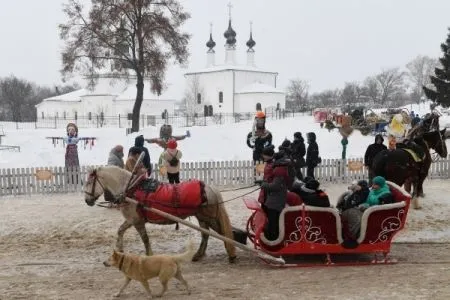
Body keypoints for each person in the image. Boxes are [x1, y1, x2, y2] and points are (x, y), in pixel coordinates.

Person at [260, 152, 290, 241]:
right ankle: (273, 237)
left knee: (273, 222)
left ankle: (273, 239)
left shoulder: (279, 170)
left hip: (275, 201)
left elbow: (275, 187)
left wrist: (264, 185)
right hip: (276, 199)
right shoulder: (281, 168)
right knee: (274, 221)